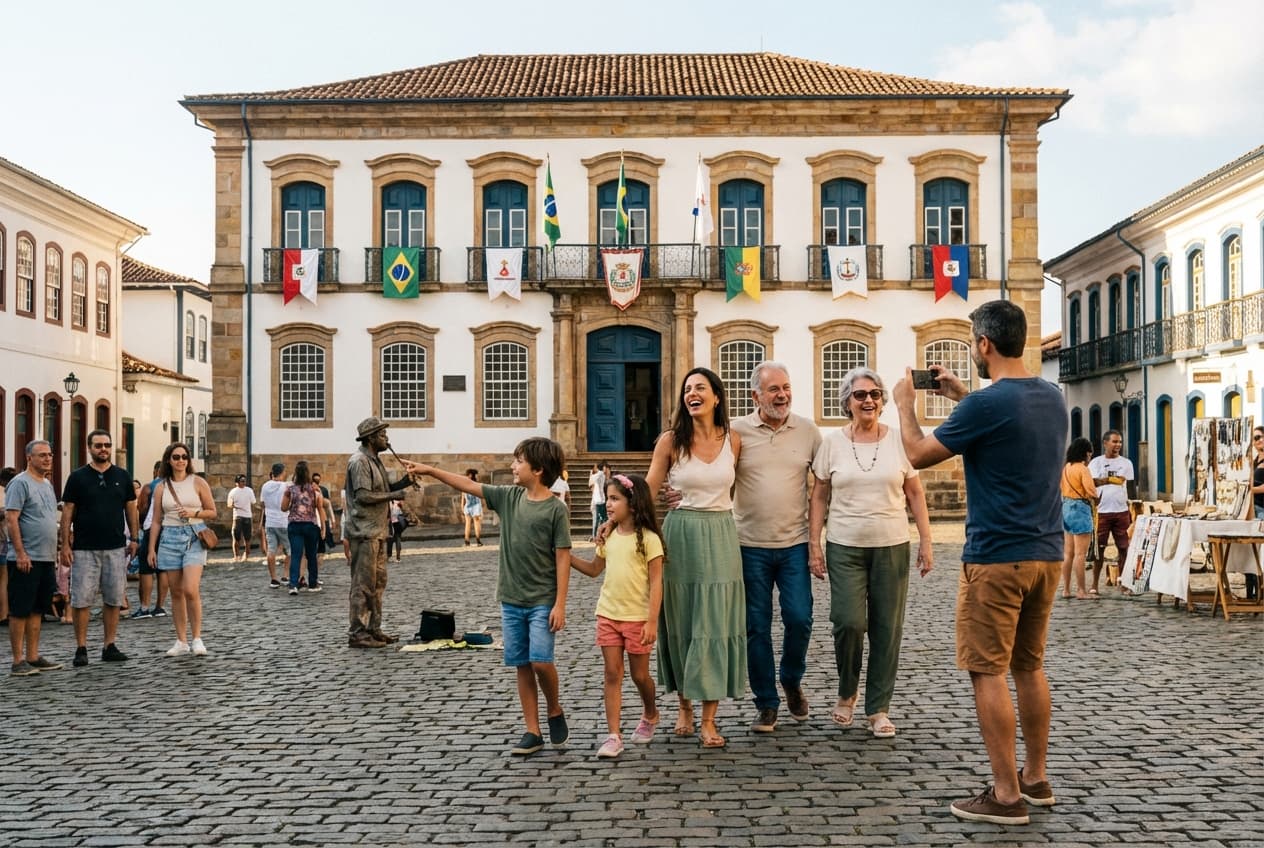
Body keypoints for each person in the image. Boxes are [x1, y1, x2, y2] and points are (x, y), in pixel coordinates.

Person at [893, 299, 1066, 826]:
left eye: (973, 341)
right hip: (1047, 553)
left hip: (995, 558)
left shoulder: (986, 406)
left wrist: (906, 404)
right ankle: (1035, 779)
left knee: (985, 670)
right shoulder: (1052, 398)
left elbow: (919, 454)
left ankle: (1005, 794)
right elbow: (1003, 420)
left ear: (985, 345)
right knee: (1029, 666)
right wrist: (962, 394)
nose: (972, 348)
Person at [411, 437, 572, 756]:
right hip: (511, 600)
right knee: (522, 664)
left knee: (541, 661)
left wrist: (560, 604)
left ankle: (554, 707)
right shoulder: (509, 497)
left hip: (542, 600)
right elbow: (467, 485)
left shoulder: (556, 509)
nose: (513, 466)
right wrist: (431, 470)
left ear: (538, 470)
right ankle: (532, 730)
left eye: (519, 461)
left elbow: (563, 557)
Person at [809, 367, 932, 739]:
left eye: (875, 394)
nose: (869, 400)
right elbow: (818, 495)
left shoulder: (899, 441)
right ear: (846, 401)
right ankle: (847, 692)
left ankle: (878, 707)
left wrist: (926, 541)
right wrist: (814, 543)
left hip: (891, 545)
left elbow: (915, 493)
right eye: (861, 395)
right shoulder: (831, 443)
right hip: (844, 545)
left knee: (886, 628)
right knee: (848, 622)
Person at [646, 366, 745, 748]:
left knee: (715, 623)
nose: (692, 393)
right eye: (687, 389)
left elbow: (741, 489)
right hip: (681, 533)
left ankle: (709, 719)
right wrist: (615, 518)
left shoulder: (734, 440)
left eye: (700, 388)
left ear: (716, 397)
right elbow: (649, 488)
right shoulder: (670, 441)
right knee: (684, 620)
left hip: (721, 533)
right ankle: (685, 706)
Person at [727, 361, 822, 733]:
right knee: (756, 627)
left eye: (786, 387)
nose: (782, 395)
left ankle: (791, 678)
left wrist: (817, 541)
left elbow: (824, 485)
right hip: (748, 545)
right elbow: (720, 480)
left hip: (795, 545)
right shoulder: (736, 432)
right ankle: (766, 703)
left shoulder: (808, 431)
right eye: (773, 390)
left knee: (800, 618)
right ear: (756, 396)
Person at [569, 473, 664, 759]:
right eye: (607, 498)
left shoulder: (649, 540)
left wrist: (651, 620)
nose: (608, 504)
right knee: (612, 673)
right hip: (608, 614)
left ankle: (650, 713)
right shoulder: (607, 536)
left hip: (637, 617)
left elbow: (657, 581)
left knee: (639, 675)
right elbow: (595, 569)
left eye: (614, 499)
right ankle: (614, 735)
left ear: (633, 503)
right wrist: (564, 557)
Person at [59, 429, 138, 668]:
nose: (103, 449)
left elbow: (131, 509)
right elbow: (68, 512)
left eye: (107, 445)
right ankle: (81, 647)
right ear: (89, 448)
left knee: (114, 598)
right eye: (98, 445)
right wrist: (65, 544)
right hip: (84, 548)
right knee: (82, 599)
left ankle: (109, 645)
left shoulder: (122, 476)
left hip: (115, 547)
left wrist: (134, 539)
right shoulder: (78, 477)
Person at [343, 417, 420, 648]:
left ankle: (374, 629)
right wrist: (393, 496)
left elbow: (384, 489)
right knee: (363, 584)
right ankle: (357, 632)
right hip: (363, 531)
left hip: (377, 531)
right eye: (382, 435)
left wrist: (405, 482)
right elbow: (363, 496)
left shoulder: (375, 461)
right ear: (371, 438)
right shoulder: (359, 462)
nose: (387, 439)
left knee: (378, 583)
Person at [146, 442, 217, 657]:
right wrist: (151, 549)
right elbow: (156, 520)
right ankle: (181, 641)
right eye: (176, 457)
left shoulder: (198, 482)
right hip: (169, 539)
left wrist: (192, 512)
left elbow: (212, 511)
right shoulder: (161, 487)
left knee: (190, 589)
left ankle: (197, 638)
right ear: (169, 459)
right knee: (176, 592)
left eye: (184, 456)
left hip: (193, 537)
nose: (180, 460)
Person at [5, 442, 63, 676]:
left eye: (50, 455)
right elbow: (12, 519)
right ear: (29, 457)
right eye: (42, 455)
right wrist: (20, 552)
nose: (48, 459)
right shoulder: (19, 483)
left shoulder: (47, 484)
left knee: (38, 608)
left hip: (46, 557)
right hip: (26, 557)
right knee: (20, 609)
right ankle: (18, 660)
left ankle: (33, 655)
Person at [1088, 430, 1134, 593]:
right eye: (1114, 442)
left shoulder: (1126, 463)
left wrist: (1132, 510)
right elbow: (1092, 483)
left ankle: (1124, 582)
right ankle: (1094, 584)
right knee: (1099, 549)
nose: (1118, 445)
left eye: (1120, 442)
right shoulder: (1095, 463)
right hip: (1102, 511)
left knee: (1124, 547)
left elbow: (1127, 484)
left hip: (1121, 510)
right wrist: (1106, 481)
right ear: (1105, 443)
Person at [1060, 438, 1097, 600]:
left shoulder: (1066, 468)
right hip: (1080, 509)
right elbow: (1091, 491)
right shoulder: (1083, 469)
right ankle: (1081, 590)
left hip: (1066, 507)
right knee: (1080, 554)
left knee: (1068, 553)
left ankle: (1066, 589)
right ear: (1086, 453)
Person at [132, 461, 170, 619]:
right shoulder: (173, 485)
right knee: (163, 570)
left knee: (146, 570)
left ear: (155, 471)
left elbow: (141, 509)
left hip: (151, 529)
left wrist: (140, 526)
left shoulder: (149, 487)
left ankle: (145, 607)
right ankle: (160, 606)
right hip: (168, 529)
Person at [281, 461, 325, 596]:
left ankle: (293, 585)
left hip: (294, 525)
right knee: (311, 555)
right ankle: (312, 583)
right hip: (310, 525)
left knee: (296, 554)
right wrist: (323, 527)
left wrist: (294, 506)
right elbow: (320, 508)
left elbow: (283, 508)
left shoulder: (290, 489)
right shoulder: (315, 490)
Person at [259, 463, 289, 589]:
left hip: (270, 522)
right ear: (282, 473)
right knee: (290, 550)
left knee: (271, 551)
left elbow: (262, 503)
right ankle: (286, 575)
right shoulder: (285, 486)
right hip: (283, 521)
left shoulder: (265, 486)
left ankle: (273, 579)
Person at [226, 474, 256, 563]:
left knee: (244, 538)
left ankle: (242, 555)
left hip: (241, 516)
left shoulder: (235, 491)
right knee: (240, 538)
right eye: (242, 481)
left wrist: (235, 506)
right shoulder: (243, 491)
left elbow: (229, 504)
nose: (243, 483)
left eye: (244, 481)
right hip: (241, 516)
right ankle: (240, 555)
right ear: (237, 482)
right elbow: (253, 502)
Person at [1249, 426, 1264, 600]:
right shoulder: (1253, 461)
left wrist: (1250, 490)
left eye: (1259, 437)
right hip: (1252, 509)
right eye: (1254, 438)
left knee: (1261, 551)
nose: (1258, 441)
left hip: (1262, 509)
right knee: (1250, 551)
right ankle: (1251, 592)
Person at [0, 466, 15, 627]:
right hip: (4, 541)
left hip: (5, 542)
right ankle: (3, 613)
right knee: (4, 579)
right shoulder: (5, 493)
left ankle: (4, 613)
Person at [312, 472, 336, 565]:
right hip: (313, 522)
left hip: (321, 520)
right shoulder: (308, 494)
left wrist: (332, 520)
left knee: (321, 548)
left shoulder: (322, 492)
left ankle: (317, 568)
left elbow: (327, 505)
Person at [587, 461, 608, 542]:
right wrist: (591, 474)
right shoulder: (599, 474)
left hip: (600, 500)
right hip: (598, 500)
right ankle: (595, 536)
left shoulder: (600, 475)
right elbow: (590, 484)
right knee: (598, 519)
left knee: (600, 518)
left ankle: (597, 535)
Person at [463, 469, 484, 546]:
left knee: (467, 524)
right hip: (476, 506)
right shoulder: (477, 485)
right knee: (477, 523)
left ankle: (467, 541)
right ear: (472, 475)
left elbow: (463, 497)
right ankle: (478, 540)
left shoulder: (464, 485)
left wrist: (462, 507)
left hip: (467, 506)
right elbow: (481, 496)